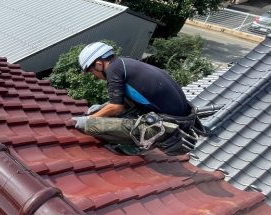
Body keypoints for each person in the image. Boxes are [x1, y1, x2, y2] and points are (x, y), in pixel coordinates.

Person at [71, 42, 201, 155]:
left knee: (92, 126)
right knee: (104, 113)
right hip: (181, 119)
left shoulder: (113, 70)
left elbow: (116, 107)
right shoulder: (124, 62)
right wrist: (104, 107)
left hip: (167, 127)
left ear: (99, 64)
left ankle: (134, 145)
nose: (94, 76)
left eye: (91, 71)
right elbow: (129, 97)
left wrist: (89, 119)